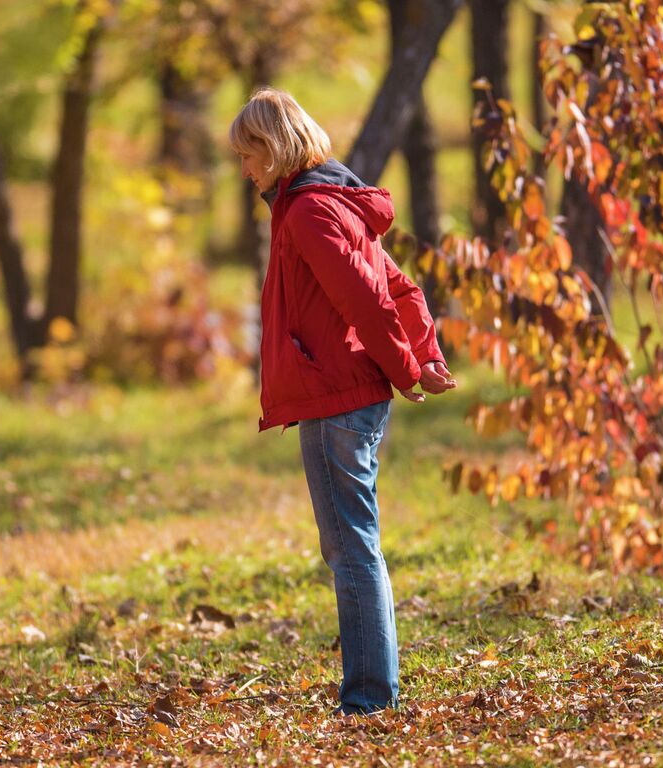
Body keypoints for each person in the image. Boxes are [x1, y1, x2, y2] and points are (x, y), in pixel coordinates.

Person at [228, 87, 458, 715]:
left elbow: (366, 297)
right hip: (340, 391)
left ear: (274, 148)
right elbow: (400, 286)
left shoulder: (307, 211)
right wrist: (427, 354)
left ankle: (367, 700)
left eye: (248, 155)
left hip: (336, 395)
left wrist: (407, 364)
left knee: (350, 548)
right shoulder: (329, 202)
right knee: (358, 544)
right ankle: (372, 690)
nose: (244, 170)